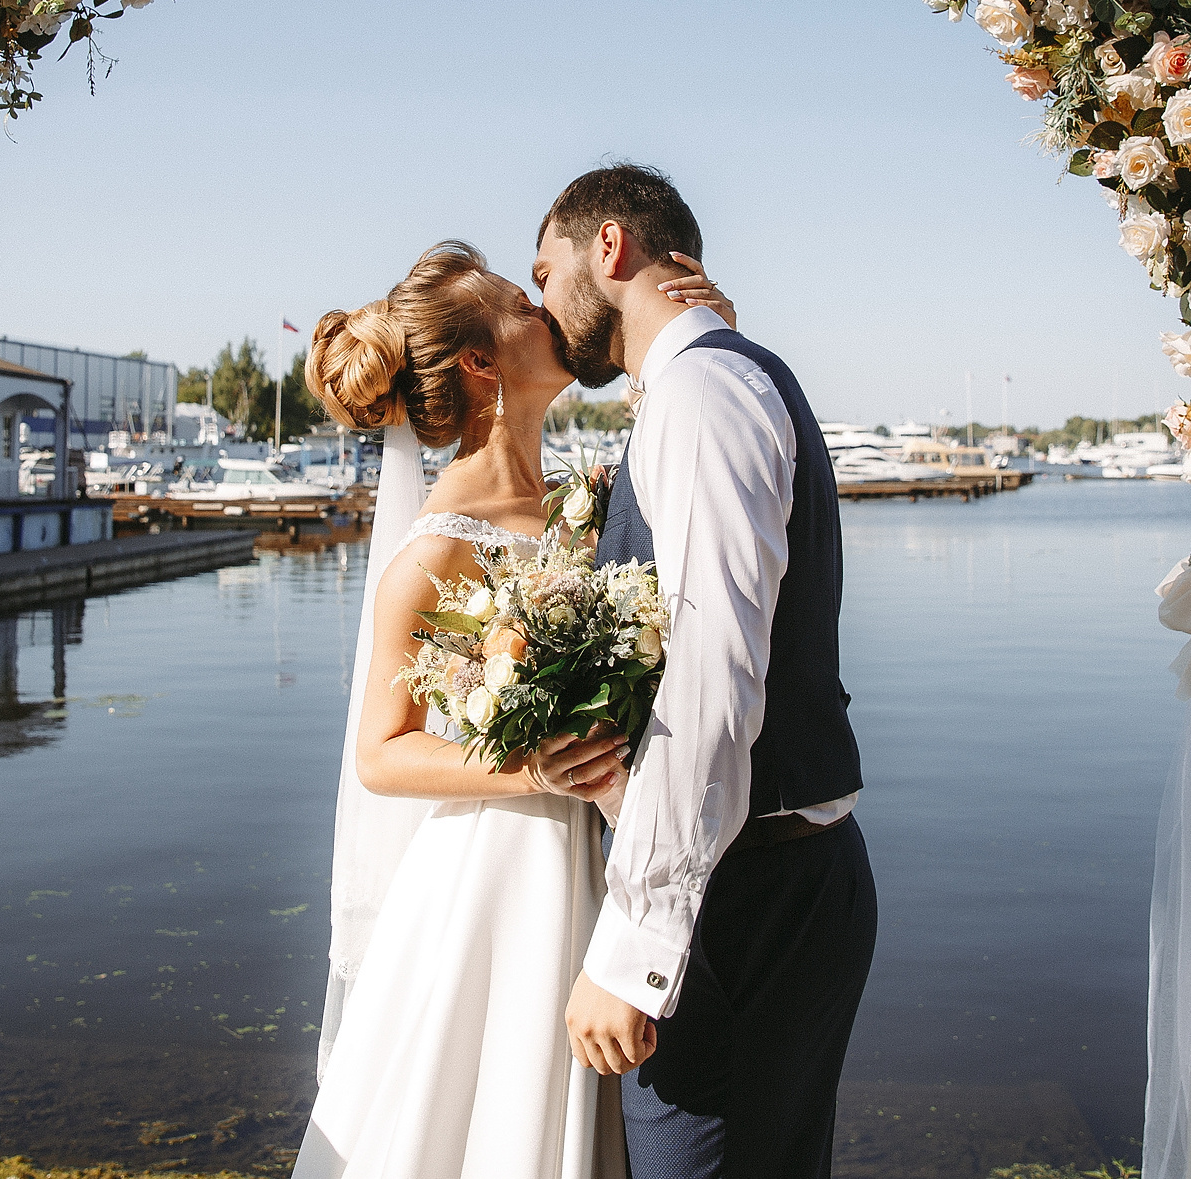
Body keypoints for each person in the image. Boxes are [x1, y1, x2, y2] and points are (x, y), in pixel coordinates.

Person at [292, 239, 734, 1179]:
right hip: (501, 875)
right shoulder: (436, 547)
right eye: (519, 305)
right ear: (483, 364)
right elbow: (380, 753)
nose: (549, 312)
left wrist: (705, 338)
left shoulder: (582, 496)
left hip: (600, 856)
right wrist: (528, 765)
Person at [534, 164, 877, 1179]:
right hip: (765, 874)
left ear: (609, 248)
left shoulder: (700, 392)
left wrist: (637, 945)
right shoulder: (702, 381)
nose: (545, 305)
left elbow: (712, 676)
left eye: (545, 272)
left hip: (742, 902)